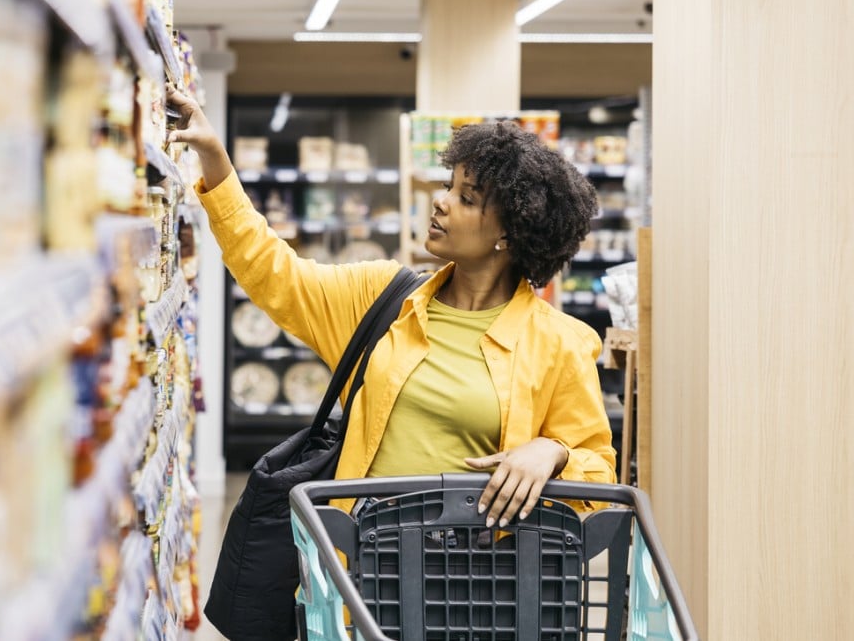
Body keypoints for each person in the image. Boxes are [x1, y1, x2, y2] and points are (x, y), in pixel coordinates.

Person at [167, 88, 616, 527]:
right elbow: (275, 273)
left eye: (467, 197)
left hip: (483, 588)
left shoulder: (559, 344)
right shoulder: (383, 298)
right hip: (360, 575)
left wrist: (555, 453)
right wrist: (215, 158)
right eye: (448, 185)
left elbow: (599, 476)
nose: (441, 200)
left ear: (511, 233)